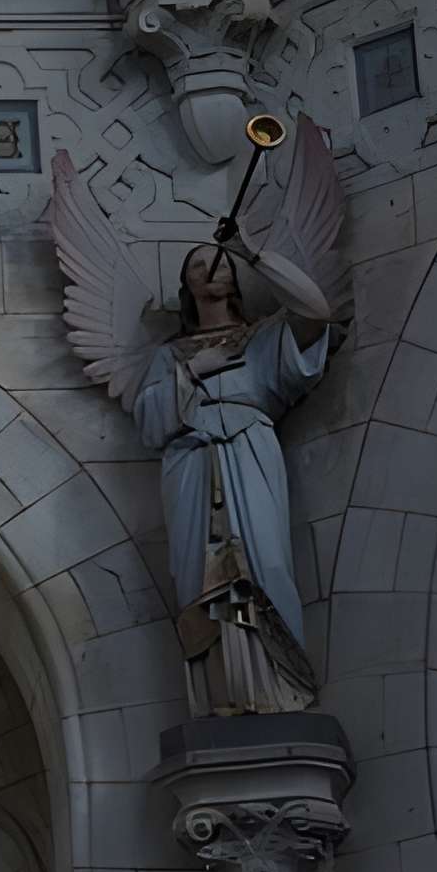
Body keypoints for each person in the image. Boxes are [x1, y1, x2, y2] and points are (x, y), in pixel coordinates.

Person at [130, 237, 332, 716]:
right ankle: (223, 687)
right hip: (191, 461)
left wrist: (253, 252)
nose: (210, 267)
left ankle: (277, 684)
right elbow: (149, 422)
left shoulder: (263, 338)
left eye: (217, 260)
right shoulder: (171, 355)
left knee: (266, 563)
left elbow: (317, 312)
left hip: (248, 454)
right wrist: (193, 371)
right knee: (199, 576)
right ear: (187, 285)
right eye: (197, 264)